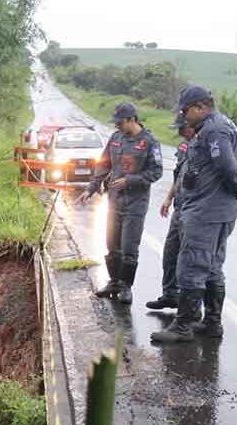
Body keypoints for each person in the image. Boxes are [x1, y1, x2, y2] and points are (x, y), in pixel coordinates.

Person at [151, 86, 237, 343]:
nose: (184, 115)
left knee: (192, 265)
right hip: (216, 209)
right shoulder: (216, 126)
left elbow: (228, 167)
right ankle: (212, 323)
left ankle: (183, 326)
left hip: (207, 211)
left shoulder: (214, 129)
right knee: (213, 267)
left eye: (185, 110)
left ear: (201, 106)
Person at [77, 102, 163, 304]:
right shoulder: (116, 139)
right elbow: (104, 164)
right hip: (114, 201)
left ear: (132, 119)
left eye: (120, 122)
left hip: (136, 203)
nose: (117, 127)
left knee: (129, 246)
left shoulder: (149, 142)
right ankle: (114, 282)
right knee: (111, 244)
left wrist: (130, 180)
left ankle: (126, 287)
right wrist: (91, 188)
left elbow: (156, 172)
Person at [146, 113, 196, 310]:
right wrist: (169, 197)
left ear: (192, 126)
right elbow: (179, 175)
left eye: (182, 129)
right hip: (180, 206)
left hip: (194, 210)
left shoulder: (204, 146)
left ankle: (190, 309)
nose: (180, 133)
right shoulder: (185, 147)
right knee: (170, 252)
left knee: (189, 259)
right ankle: (170, 294)